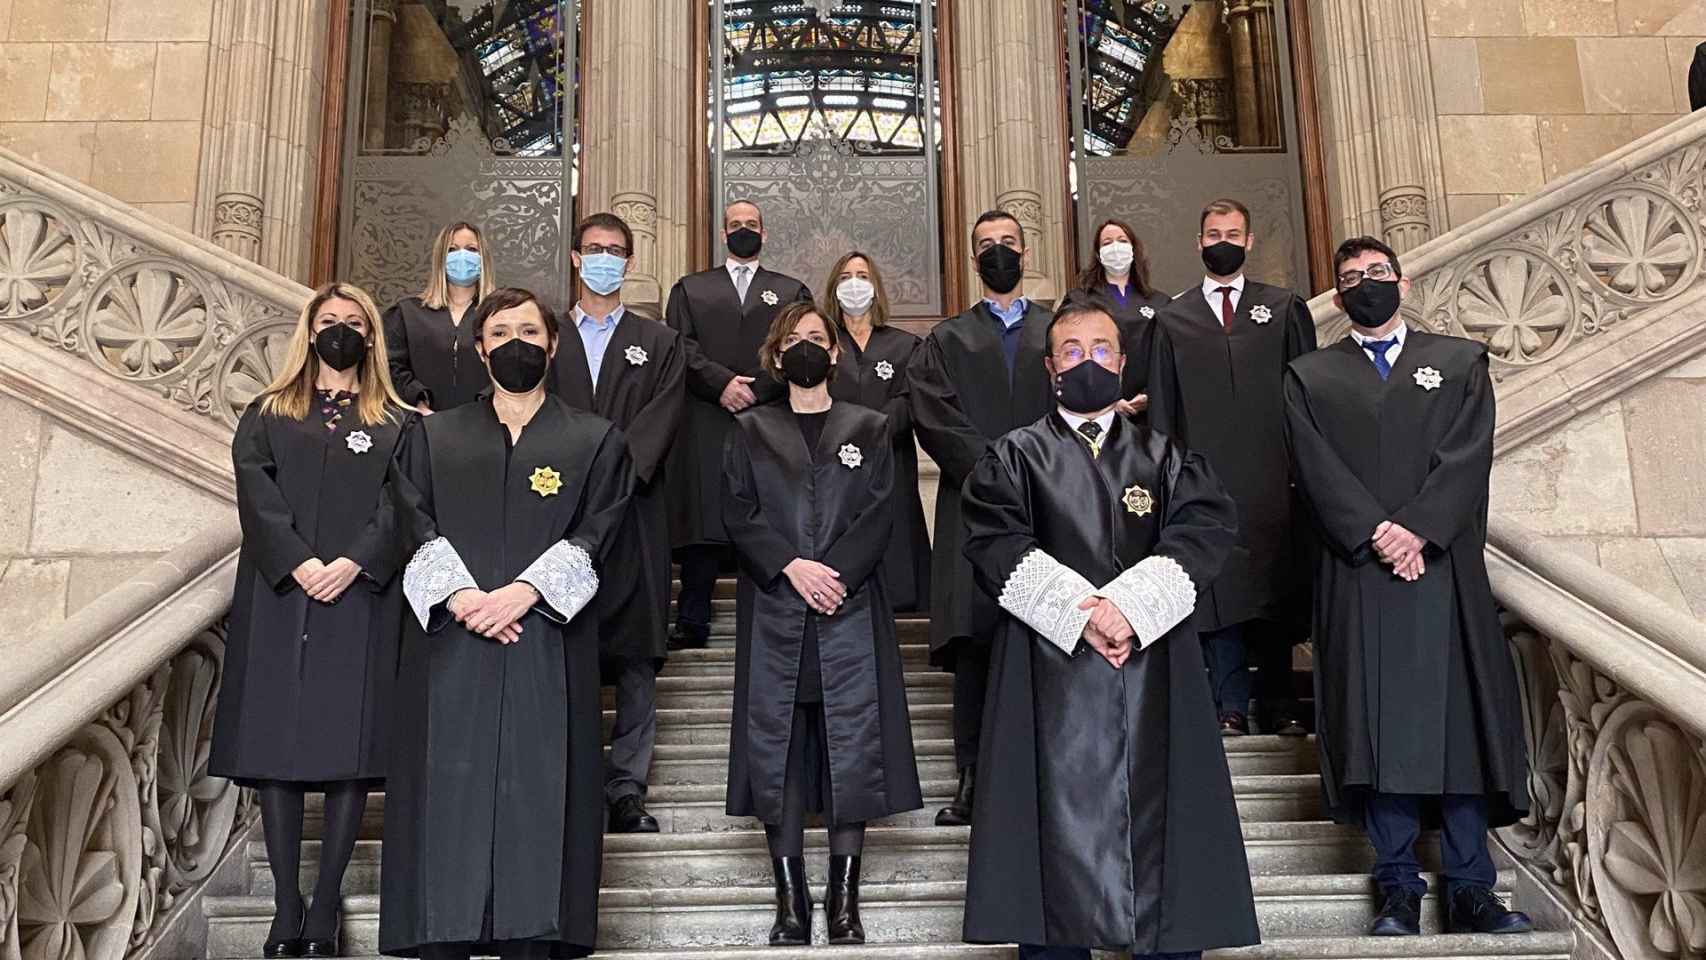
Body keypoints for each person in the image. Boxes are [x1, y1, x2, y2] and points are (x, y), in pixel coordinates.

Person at [959, 294, 1258, 960]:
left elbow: (1204, 530)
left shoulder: (1168, 458)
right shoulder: (1013, 458)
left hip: (1154, 666)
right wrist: (1084, 615)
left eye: (1100, 350)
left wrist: (1132, 608)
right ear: (1049, 366)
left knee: (1165, 848)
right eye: (1071, 351)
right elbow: (993, 539)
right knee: (1053, 866)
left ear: (1123, 363)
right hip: (1047, 666)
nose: (1086, 361)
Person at [1283, 236, 1532, 938]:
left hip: (1443, 571)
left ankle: (1469, 887)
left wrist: (1419, 529)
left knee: (1459, 729)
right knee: (1375, 729)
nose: (1366, 283)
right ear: (1336, 294)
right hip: (1359, 573)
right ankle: (1394, 884)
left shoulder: (1458, 363)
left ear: (1405, 281)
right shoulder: (1310, 376)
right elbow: (1313, 466)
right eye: (1351, 277)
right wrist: (1375, 534)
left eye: (1378, 273)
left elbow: (1468, 452)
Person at [380, 288, 635, 960]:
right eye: (501, 331)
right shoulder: (431, 436)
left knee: (538, 787)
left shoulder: (594, 439)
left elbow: (602, 527)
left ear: (553, 346)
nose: (515, 341)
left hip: (546, 641)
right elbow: (410, 518)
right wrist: (465, 599)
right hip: (449, 648)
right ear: (480, 346)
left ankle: (538, 932)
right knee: (449, 787)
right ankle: (442, 931)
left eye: (530, 330)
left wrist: (523, 593)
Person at [212, 282, 409, 959]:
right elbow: (255, 491)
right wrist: (297, 562)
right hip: (281, 593)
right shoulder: (269, 412)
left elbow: (401, 506)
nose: (341, 332)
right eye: (330, 321)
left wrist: (353, 563)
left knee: (349, 752)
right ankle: (285, 905)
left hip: (361, 595)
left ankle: (324, 905)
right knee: (279, 749)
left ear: (372, 337)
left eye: (354, 322)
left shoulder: (398, 421)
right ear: (309, 331)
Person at [723, 301, 922, 947]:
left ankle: (843, 901)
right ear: (777, 358)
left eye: (818, 337)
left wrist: (832, 574)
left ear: (835, 353)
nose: (807, 347)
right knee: (776, 756)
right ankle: (791, 903)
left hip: (849, 608)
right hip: (776, 607)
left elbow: (880, 513)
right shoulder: (749, 430)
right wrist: (790, 568)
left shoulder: (869, 426)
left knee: (850, 753)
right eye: (794, 341)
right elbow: (739, 512)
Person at [908, 209, 1055, 826]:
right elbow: (934, 415)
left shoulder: (1059, 330)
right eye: (987, 245)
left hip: (1054, 505)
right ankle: (972, 776)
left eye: (1008, 243)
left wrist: (1043, 471)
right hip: (974, 506)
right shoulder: (946, 339)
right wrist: (998, 473)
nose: (999, 252)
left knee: (1051, 639)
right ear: (974, 261)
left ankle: (1051, 778)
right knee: (975, 647)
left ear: (1026, 251)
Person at [1148, 197, 1316, 737]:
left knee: (1273, 592)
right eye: (1213, 232)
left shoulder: (1284, 308)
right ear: (1199, 243)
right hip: (1204, 481)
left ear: (1249, 242)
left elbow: (1307, 395)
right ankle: (1229, 704)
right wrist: (1170, 477)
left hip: (1274, 480)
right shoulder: (1172, 319)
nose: (1223, 240)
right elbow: (1163, 406)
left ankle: (1281, 701)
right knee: (1217, 593)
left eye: (1233, 233)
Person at [547, 212, 686, 834]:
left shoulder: (658, 341)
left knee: (635, 654)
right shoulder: (544, 334)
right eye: (594, 249)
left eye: (616, 251)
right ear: (576, 259)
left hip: (634, 514)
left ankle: (628, 786)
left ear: (629, 263)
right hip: (555, 515)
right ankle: (570, 782)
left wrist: (610, 477)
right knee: (561, 645)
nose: (605, 258)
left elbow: (661, 419)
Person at [664, 199, 811, 650]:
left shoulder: (790, 289)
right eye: (735, 224)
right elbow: (679, 347)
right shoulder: (691, 288)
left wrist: (758, 389)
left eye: (752, 224)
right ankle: (693, 618)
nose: (743, 230)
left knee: (768, 519)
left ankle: (782, 622)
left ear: (764, 234)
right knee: (704, 518)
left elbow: (801, 346)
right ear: (723, 234)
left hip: (769, 419)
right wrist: (721, 383)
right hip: (706, 419)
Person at [823, 250, 930, 612]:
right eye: (846, 277)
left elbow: (910, 398)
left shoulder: (905, 345)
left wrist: (872, 432)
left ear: (876, 287)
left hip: (891, 459)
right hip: (835, 465)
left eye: (863, 276)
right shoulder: (824, 345)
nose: (855, 284)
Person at [383, 221, 497, 414]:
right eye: (452, 249)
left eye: (471, 249)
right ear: (440, 258)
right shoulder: (407, 313)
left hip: (488, 425)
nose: (462, 256)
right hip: (421, 425)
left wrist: (486, 405)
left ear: (483, 258)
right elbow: (390, 365)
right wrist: (418, 402)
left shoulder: (501, 313)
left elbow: (512, 366)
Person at [1076, 218, 1170, 419]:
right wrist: (1107, 397)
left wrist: (1149, 395)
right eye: (1107, 243)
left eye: (1122, 240)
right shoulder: (1079, 300)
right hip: (1096, 410)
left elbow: (1169, 357)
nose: (1115, 247)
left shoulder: (1161, 303)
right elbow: (1071, 354)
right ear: (1098, 255)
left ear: (1134, 249)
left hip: (1151, 411)